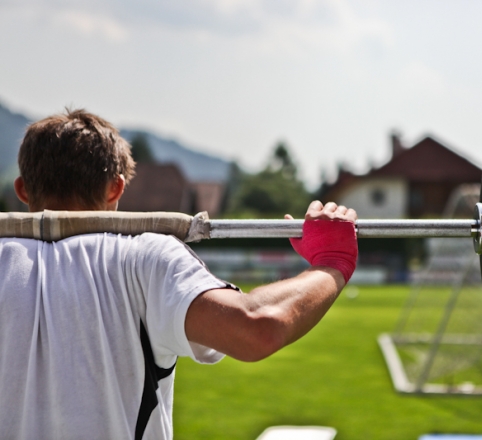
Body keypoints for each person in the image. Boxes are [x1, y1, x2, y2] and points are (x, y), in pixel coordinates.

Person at [0, 109, 359, 439]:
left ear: (22, 190)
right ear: (117, 187)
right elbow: (257, 327)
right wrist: (332, 262)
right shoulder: (143, 258)